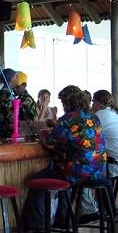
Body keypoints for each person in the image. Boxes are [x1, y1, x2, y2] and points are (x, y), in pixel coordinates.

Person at [40, 85, 107, 220]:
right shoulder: (93, 117)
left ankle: (50, 221)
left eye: (63, 102)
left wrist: (39, 129)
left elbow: (49, 142)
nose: (63, 106)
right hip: (100, 169)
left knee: (43, 177)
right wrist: (57, 126)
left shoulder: (68, 119)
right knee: (62, 171)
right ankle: (67, 216)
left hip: (80, 171)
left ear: (69, 102)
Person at [0, 69, 37, 138]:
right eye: (16, 77)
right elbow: (11, 120)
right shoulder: (9, 96)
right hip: (8, 134)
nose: (17, 79)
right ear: (11, 79)